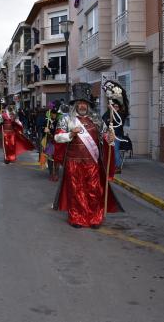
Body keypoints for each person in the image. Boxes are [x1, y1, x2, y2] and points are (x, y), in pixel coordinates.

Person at [53, 83, 120, 228]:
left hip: (92, 162)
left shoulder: (96, 120)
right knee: (76, 191)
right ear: (75, 104)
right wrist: (70, 134)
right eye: (80, 103)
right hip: (73, 162)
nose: (82, 106)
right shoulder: (66, 120)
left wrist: (110, 138)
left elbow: (105, 137)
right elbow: (57, 138)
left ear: (88, 105)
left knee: (94, 190)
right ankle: (77, 218)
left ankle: (95, 218)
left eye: (85, 103)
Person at [102, 96, 129, 173]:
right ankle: (110, 165)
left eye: (117, 106)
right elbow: (104, 120)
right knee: (108, 150)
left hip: (116, 135)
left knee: (115, 150)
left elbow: (118, 122)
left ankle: (117, 166)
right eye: (114, 106)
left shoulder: (120, 115)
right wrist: (109, 111)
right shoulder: (108, 113)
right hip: (108, 135)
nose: (116, 107)